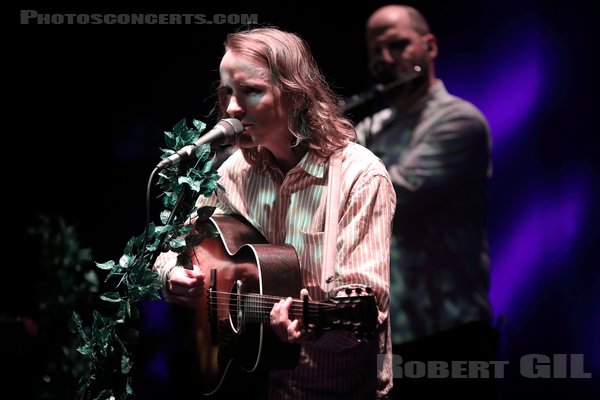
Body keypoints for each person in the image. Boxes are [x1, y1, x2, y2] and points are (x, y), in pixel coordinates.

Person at [153, 26, 396, 399]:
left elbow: (365, 315)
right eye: (227, 92)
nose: (233, 108)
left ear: (297, 96)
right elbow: (173, 247)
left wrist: (312, 326)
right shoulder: (232, 173)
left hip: (336, 390)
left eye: (251, 91)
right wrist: (173, 275)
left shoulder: (360, 177)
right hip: (249, 385)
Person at [353, 5, 498, 399]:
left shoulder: (459, 121)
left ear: (429, 46)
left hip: (450, 333)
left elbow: (392, 198)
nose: (387, 60)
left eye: (398, 46)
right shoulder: (367, 127)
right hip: (387, 335)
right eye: (376, 52)